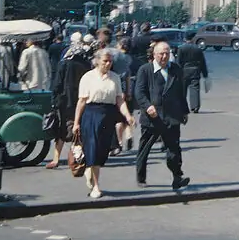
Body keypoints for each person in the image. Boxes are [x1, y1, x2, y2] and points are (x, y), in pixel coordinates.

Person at [73, 50, 135, 199]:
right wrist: (76, 123)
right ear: (97, 61)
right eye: (105, 61)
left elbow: (119, 99)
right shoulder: (88, 77)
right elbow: (81, 101)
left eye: (110, 62)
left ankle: (90, 169)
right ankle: (96, 186)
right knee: (93, 147)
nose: (108, 64)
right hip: (91, 113)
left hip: (108, 115)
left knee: (102, 151)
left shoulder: (115, 78)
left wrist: (127, 115)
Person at [134, 41, 191, 190]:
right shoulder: (145, 70)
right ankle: (141, 177)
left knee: (174, 149)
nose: (164, 56)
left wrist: (184, 111)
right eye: (161, 53)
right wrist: (147, 106)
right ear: (154, 55)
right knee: (145, 149)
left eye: (167, 53)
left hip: (171, 116)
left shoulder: (176, 70)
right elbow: (139, 92)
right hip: (152, 118)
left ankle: (177, 177)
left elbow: (181, 92)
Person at [46, 33, 94, 169]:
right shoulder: (86, 64)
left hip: (65, 101)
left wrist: (54, 100)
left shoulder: (64, 64)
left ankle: (56, 159)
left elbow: (57, 85)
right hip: (82, 99)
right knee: (78, 127)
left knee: (61, 129)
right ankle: (77, 156)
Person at [176, 36, 208, 114]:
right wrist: (205, 73)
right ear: (193, 39)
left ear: (185, 39)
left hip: (184, 71)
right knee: (195, 89)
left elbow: (178, 62)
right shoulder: (198, 49)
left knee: (182, 90)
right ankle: (195, 106)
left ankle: (182, 107)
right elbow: (202, 62)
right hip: (195, 71)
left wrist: (176, 72)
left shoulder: (181, 49)